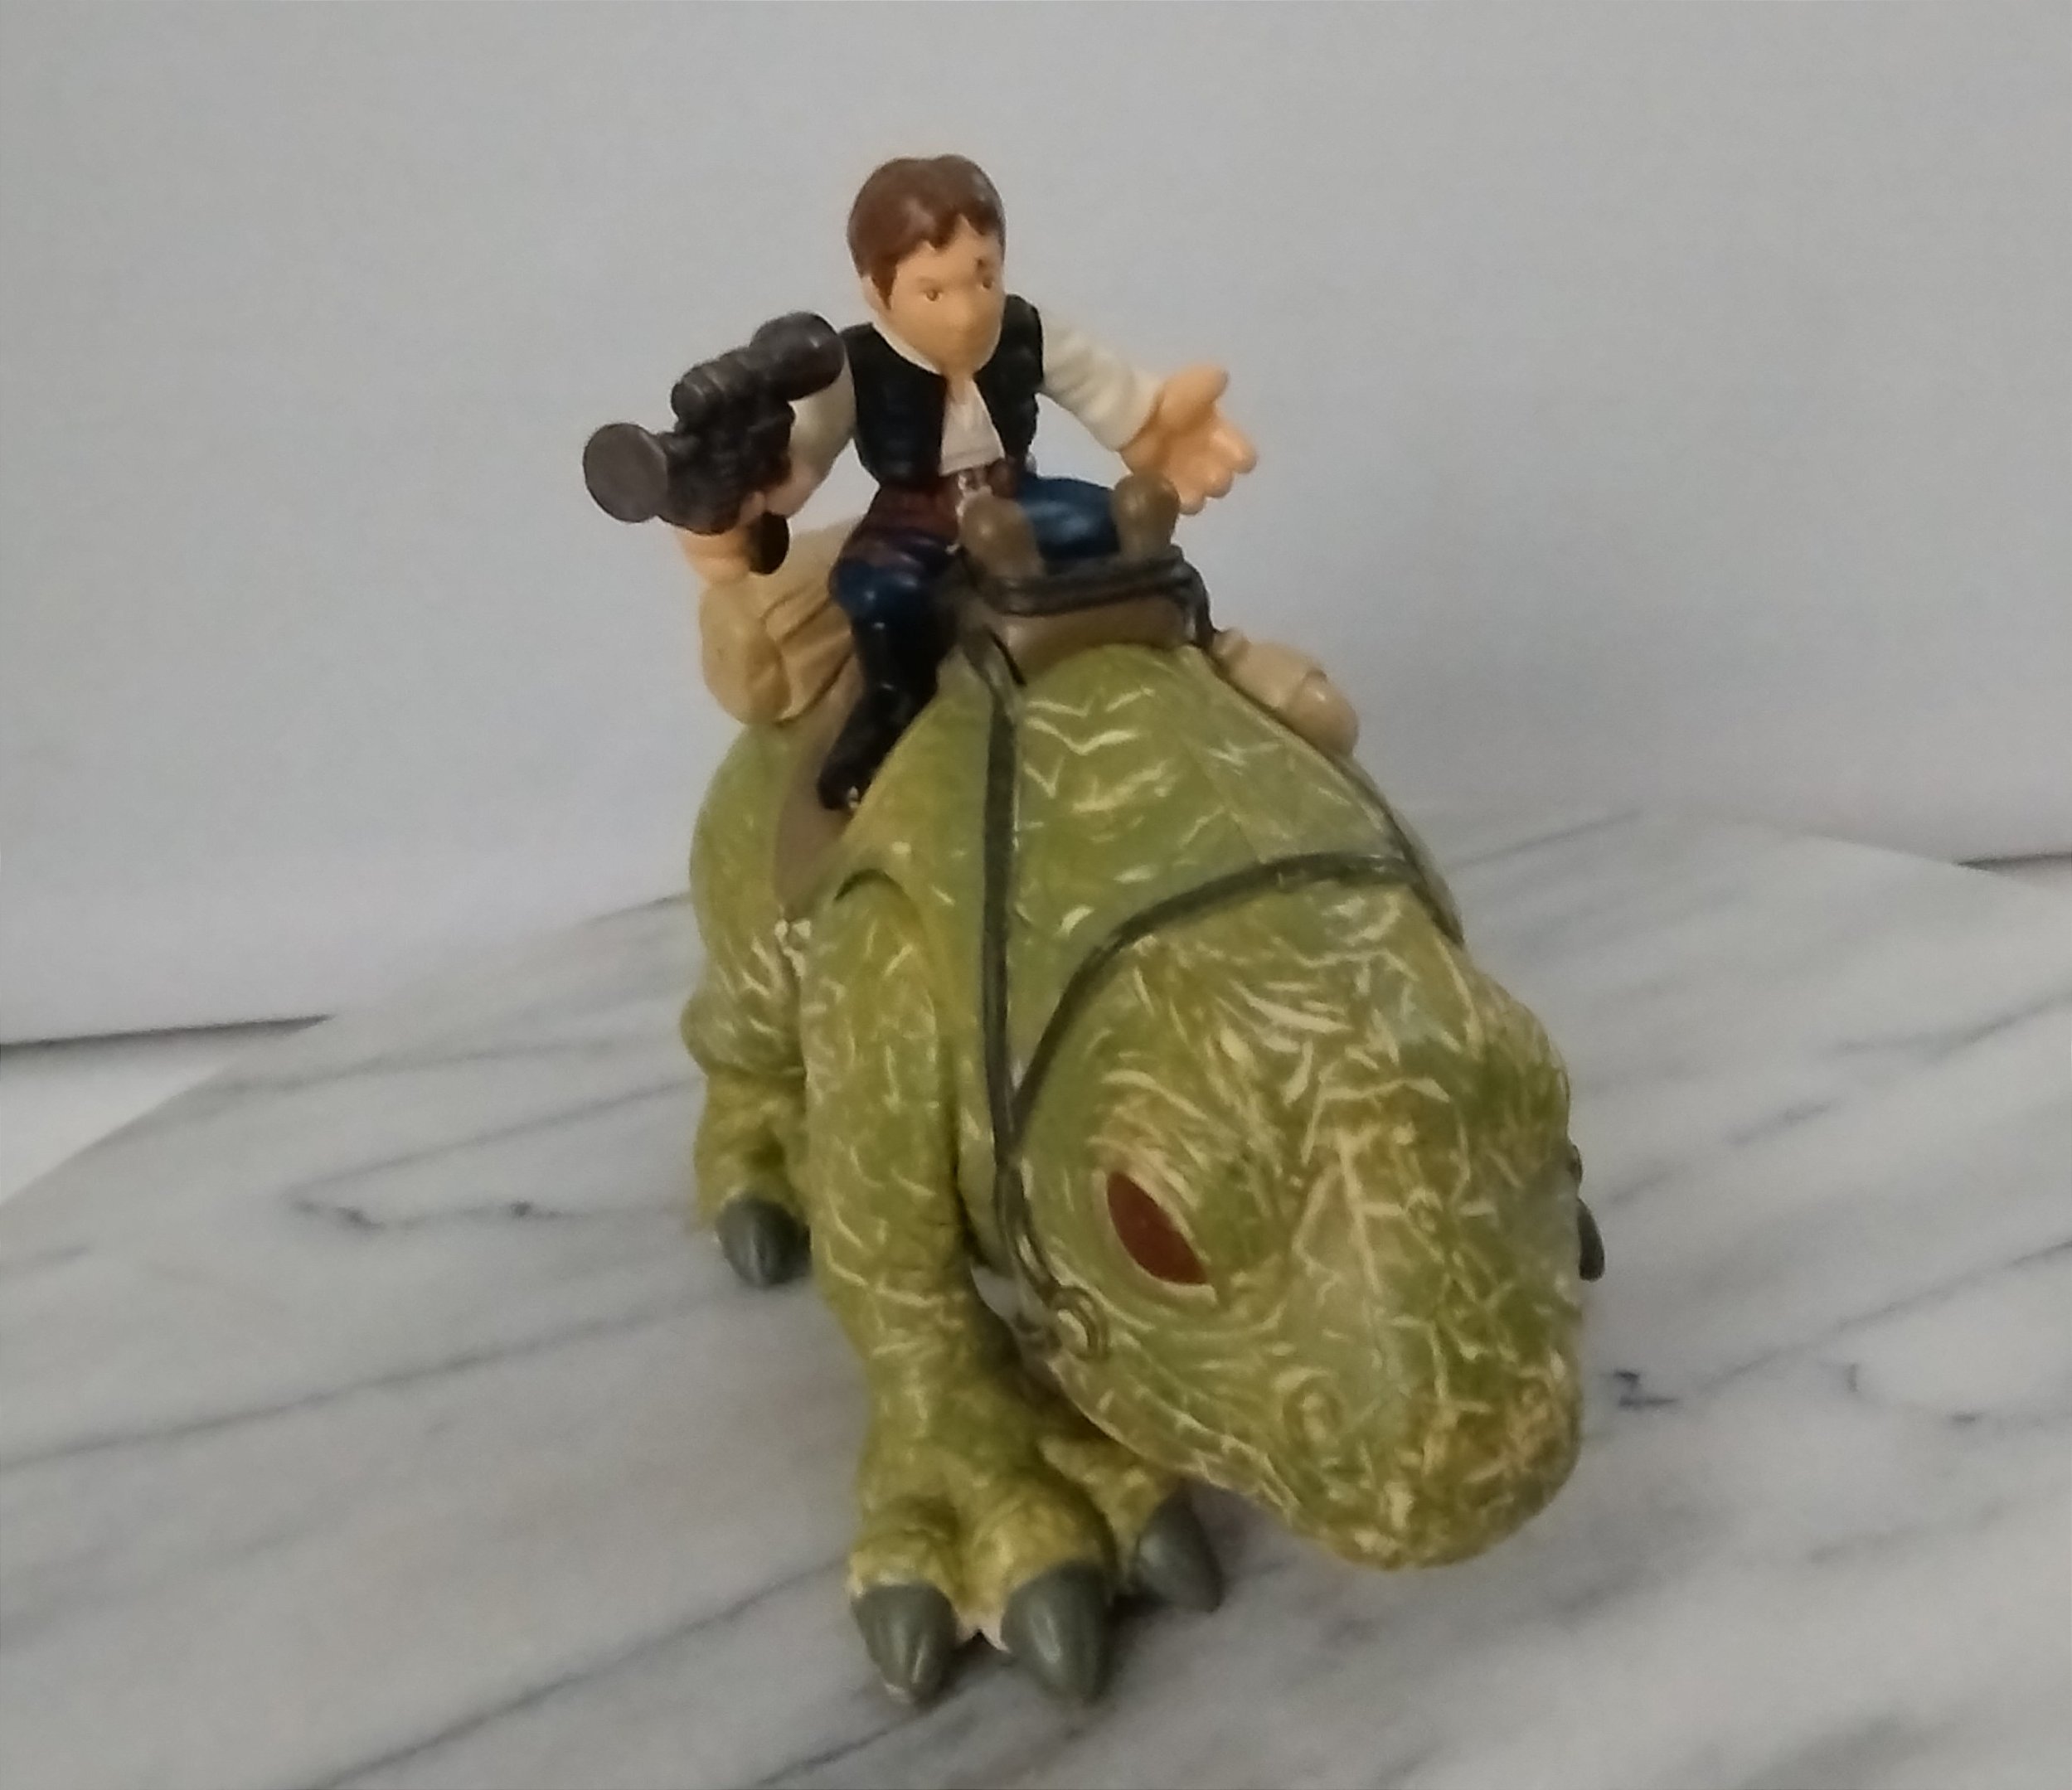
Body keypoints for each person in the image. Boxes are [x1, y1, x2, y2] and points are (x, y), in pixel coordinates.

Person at [678, 154, 1256, 808]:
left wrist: (1153, 426)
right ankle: (893, 703)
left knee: (1114, 524)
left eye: (983, 277)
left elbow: (1106, 388)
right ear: (876, 291)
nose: (966, 312)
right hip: (915, 515)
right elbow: (799, 463)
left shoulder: (1026, 330)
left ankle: (1189, 644)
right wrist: (737, 504)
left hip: (1015, 495)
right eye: (933, 292)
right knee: (874, 589)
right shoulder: (852, 367)